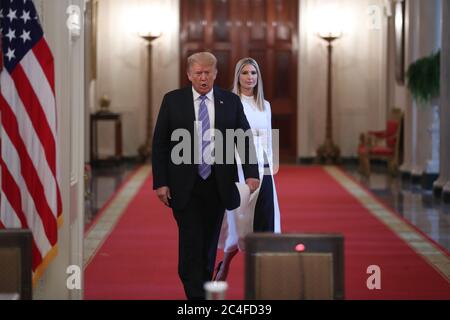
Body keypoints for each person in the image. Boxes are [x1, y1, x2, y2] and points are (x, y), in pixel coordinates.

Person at [152, 52, 260, 300]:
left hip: (217, 185)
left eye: (208, 72)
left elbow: (244, 140)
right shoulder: (173, 101)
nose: (203, 77)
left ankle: (201, 292)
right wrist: (161, 182)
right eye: (198, 73)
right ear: (189, 75)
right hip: (183, 186)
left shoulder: (230, 102)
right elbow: (160, 144)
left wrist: (252, 173)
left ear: (215, 74)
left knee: (209, 246)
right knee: (191, 244)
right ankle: (197, 297)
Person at [214, 57, 281, 281]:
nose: (249, 77)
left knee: (265, 222)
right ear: (238, 77)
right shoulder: (230, 103)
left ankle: (263, 273)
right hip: (240, 171)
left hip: (264, 170)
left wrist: (269, 170)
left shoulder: (266, 105)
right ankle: (225, 266)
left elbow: (269, 142)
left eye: (253, 73)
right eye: (245, 73)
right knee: (240, 225)